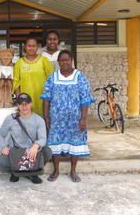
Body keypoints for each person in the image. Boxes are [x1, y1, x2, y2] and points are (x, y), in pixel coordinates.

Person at [41, 50, 95, 183]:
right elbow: (46, 98)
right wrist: (46, 116)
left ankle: (73, 171)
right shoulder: (53, 77)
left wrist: (83, 119)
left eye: (67, 60)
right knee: (55, 144)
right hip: (57, 119)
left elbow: (85, 99)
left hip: (75, 119)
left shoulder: (80, 77)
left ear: (71, 61)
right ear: (58, 62)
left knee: (74, 143)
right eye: (62, 60)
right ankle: (56, 170)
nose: (64, 62)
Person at [0, 93, 52, 184]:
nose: (24, 107)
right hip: (16, 152)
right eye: (21, 104)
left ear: (31, 104)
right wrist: (3, 146)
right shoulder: (11, 119)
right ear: (18, 105)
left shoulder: (39, 120)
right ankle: (15, 172)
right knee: (1, 162)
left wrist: (36, 145)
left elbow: (42, 138)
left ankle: (33, 172)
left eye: (27, 104)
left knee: (47, 151)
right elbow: (1, 134)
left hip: (32, 152)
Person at [13, 38, 54, 117]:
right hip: (25, 100)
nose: (31, 48)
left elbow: (51, 80)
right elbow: (16, 82)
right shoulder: (19, 62)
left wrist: (50, 98)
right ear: (25, 47)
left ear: (37, 48)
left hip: (42, 99)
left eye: (33, 46)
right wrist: (19, 100)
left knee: (42, 122)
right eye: (29, 46)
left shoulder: (44, 60)